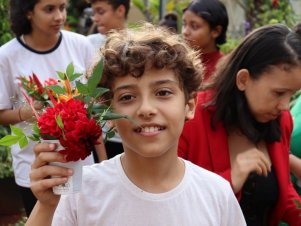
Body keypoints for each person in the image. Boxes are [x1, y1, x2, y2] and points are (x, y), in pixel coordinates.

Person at [25, 24, 246, 226]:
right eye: (127, 97)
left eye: (163, 93)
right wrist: (46, 205)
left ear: (189, 105)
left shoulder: (216, 195)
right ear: (108, 112)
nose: (146, 109)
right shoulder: (81, 193)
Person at [178, 23, 301, 225]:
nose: (286, 106)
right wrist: (230, 179)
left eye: (292, 95)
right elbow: (172, 204)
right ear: (243, 79)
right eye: (279, 93)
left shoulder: (280, 121)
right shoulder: (190, 118)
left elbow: (284, 193)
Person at [0, 0, 103, 217]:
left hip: (81, 164)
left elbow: (95, 106)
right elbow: (1, 113)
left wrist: (103, 163)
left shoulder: (81, 44)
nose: (59, 16)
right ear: (28, 12)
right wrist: (28, 113)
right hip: (35, 166)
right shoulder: (7, 56)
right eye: (49, 9)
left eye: (62, 8)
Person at [86, 0, 131, 159]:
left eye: (100, 12)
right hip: (102, 140)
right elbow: (90, 100)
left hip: (132, 136)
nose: (96, 18)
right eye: (94, 13)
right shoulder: (89, 44)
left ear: (120, 10)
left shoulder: (137, 45)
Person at [182, 0, 228, 82]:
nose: (185, 32)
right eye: (184, 24)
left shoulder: (224, 70)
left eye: (194, 26)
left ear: (216, 31)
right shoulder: (180, 63)